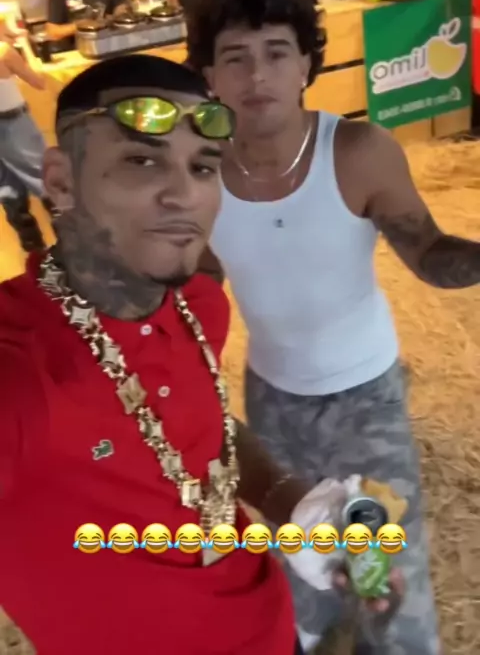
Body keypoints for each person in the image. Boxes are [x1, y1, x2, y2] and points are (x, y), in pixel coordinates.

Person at [0, 53, 402, 655]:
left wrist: (296, 503)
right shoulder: (21, 375)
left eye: (204, 166)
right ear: (59, 180)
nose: (184, 194)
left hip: (271, 628)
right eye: (142, 161)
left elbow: (194, 427)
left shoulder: (199, 305)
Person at [189, 0, 480, 653]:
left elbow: (428, 253)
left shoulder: (356, 152)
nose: (257, 74)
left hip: (366, 395)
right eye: (235, 57)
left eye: (276, 52)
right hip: (271, 397)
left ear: (306, 65)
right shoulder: (198, 173)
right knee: (304, 556)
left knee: (384, 563)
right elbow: (196, 291)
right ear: (209, 76)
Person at [0, 22, 48, 253]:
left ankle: (33, 249)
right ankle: (74, 244)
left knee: (7, 186)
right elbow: (39, 81)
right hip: (12, 122)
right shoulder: (3, 51)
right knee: (44, 177)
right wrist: (25, 45)